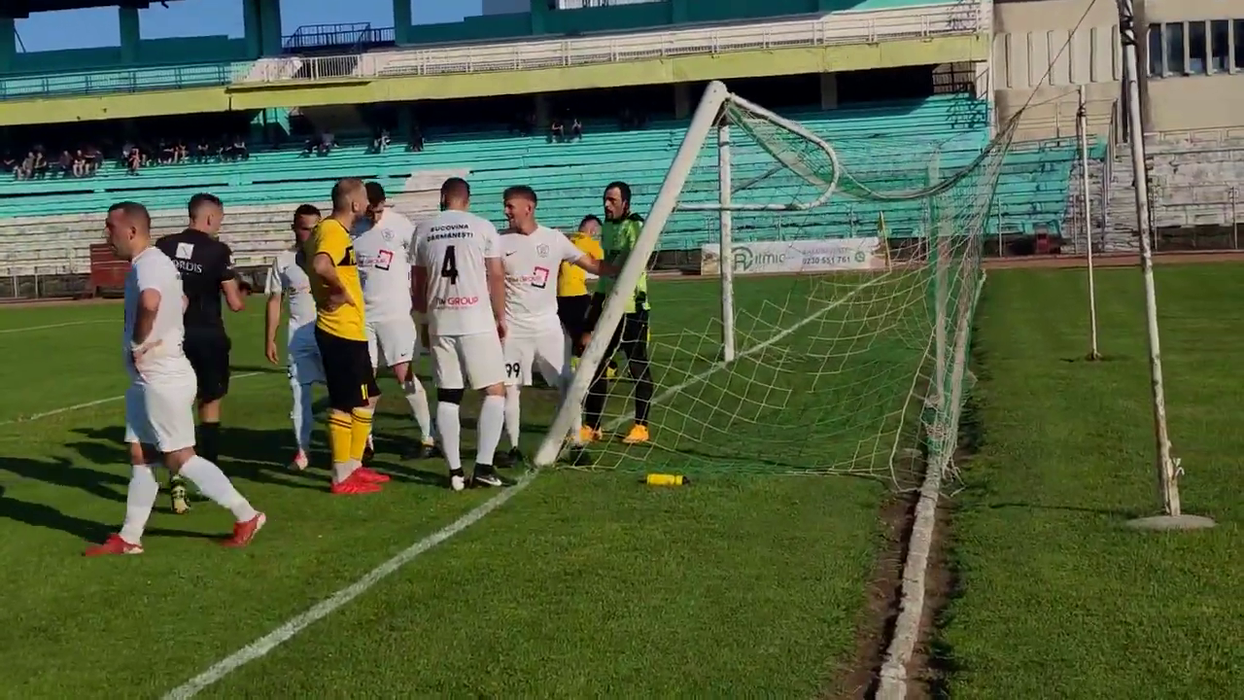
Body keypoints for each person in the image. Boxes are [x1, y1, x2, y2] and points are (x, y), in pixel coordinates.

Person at [85, 202, 264, 556]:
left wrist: (141, 341)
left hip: (163, 376)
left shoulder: (149, 264)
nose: (107, 235)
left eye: (110, 227)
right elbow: (179, 300)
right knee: (141, 453)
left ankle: (247, 515)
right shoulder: (151, 262)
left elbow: (151, 302)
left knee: (180, 457)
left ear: (131, 231)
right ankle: (130, 537)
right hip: (148, 377)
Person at [497, 187, 615, 465]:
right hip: (513, 329)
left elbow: (591, 265)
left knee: (566, 384)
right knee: (510, 388)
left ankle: (576, 443)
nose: (506, 211)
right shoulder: (499, 241)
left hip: (548, 327)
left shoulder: (553, 239)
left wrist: (624, 266)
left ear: (529, 208)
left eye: (510, 206)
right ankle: (513, 448)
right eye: (505, 206)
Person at [412, 177, 510, 491]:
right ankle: (483, 466)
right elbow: (496, 275)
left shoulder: (423, 229)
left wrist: (424, 322)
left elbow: (417, 284)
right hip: (476, 320)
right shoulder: (482, 227)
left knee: (448, 395)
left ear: (443, 197)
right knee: (495, 391)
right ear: (467, 199)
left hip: (441, 320)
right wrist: (500, 316)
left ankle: (455, 472)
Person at [154, 193, 245, 514]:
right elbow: (235, 303)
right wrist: (240, 290)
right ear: (209, 218)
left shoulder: (164, 246)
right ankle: (210, 475)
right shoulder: (217, 250)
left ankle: (176, 479)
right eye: (219, 219)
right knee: (210, 401)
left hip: (170, 336)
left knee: (176, 409)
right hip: (207, 335)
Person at [305, 178, 390, 495]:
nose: (368, 204)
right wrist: (339, 290)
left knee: (368, 396)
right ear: (354, 204)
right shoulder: (332, 231)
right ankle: (341, 475)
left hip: (350, 329)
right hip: (338, 329)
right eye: (365, 198)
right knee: (344, 402)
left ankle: (354, 466)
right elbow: (320, 264)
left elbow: (308, 260)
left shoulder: (332, 232)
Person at [351, 182, 437, 458]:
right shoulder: (353, 229)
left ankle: (428, 437)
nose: (373, 216)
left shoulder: (400, 225)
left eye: (377, 210)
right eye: (369, 211)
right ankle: (365, 441)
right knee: (365, 379)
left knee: (404, 374)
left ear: (383, 203)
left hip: (395, 314)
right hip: (363, 316)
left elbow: (421, 260)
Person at [581, 181, 654, 445]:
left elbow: (636, 259)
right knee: (597, 363)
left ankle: (641, 426)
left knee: (637, 366)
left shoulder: (635, 225)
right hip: (610, 307)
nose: (606, 204)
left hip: (633, 309)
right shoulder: (608, 228)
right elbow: (606, 272)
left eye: (612, 200)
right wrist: (596, 303)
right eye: (605, 199)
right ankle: (592, 425)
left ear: (626, 203)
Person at [264, 204, 326, 470]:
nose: (310, 234)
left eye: (315, 228)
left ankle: (361, 444)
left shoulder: (331, 256)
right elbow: (275, 300)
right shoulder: (284, 260)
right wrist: (270, 338)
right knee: (300, 394)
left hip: (331, 332)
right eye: (305, 229)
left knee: (343, 391)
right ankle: (302, 451)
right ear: (294, 228)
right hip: (298, 338)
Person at [557, 214, 617, 379]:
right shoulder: (588, 242)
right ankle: (601, 365)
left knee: (576, 335)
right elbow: (605, 262)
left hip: (565, 296)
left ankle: (600, 365)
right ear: (593, 230)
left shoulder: (568, 241)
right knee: (582, 335)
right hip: (574, 296)